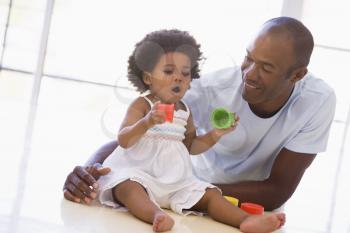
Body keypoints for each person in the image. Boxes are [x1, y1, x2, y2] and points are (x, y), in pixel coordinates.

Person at [63, 16, 336, 214]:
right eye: (249, 58)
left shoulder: (317, 102)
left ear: (298, 75)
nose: (249, 74)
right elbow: (143, 133)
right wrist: (91, 169)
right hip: (184, 193)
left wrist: (189, 192)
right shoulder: (210, 89)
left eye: (266, 68)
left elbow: (277, 190)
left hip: (232, 203)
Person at [92, 29, 285, 232]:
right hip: (140, 174)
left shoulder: (185, 111)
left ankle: (245, 220)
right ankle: (156, 214)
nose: (179, 78)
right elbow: (124, 140)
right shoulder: (143, 105)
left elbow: (191, 146)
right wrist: (146, 122)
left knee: (210, 194)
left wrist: (215, 134)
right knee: (128, 187)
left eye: (185, 73)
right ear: (148, 78)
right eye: (168, 72)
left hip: (175, 181)